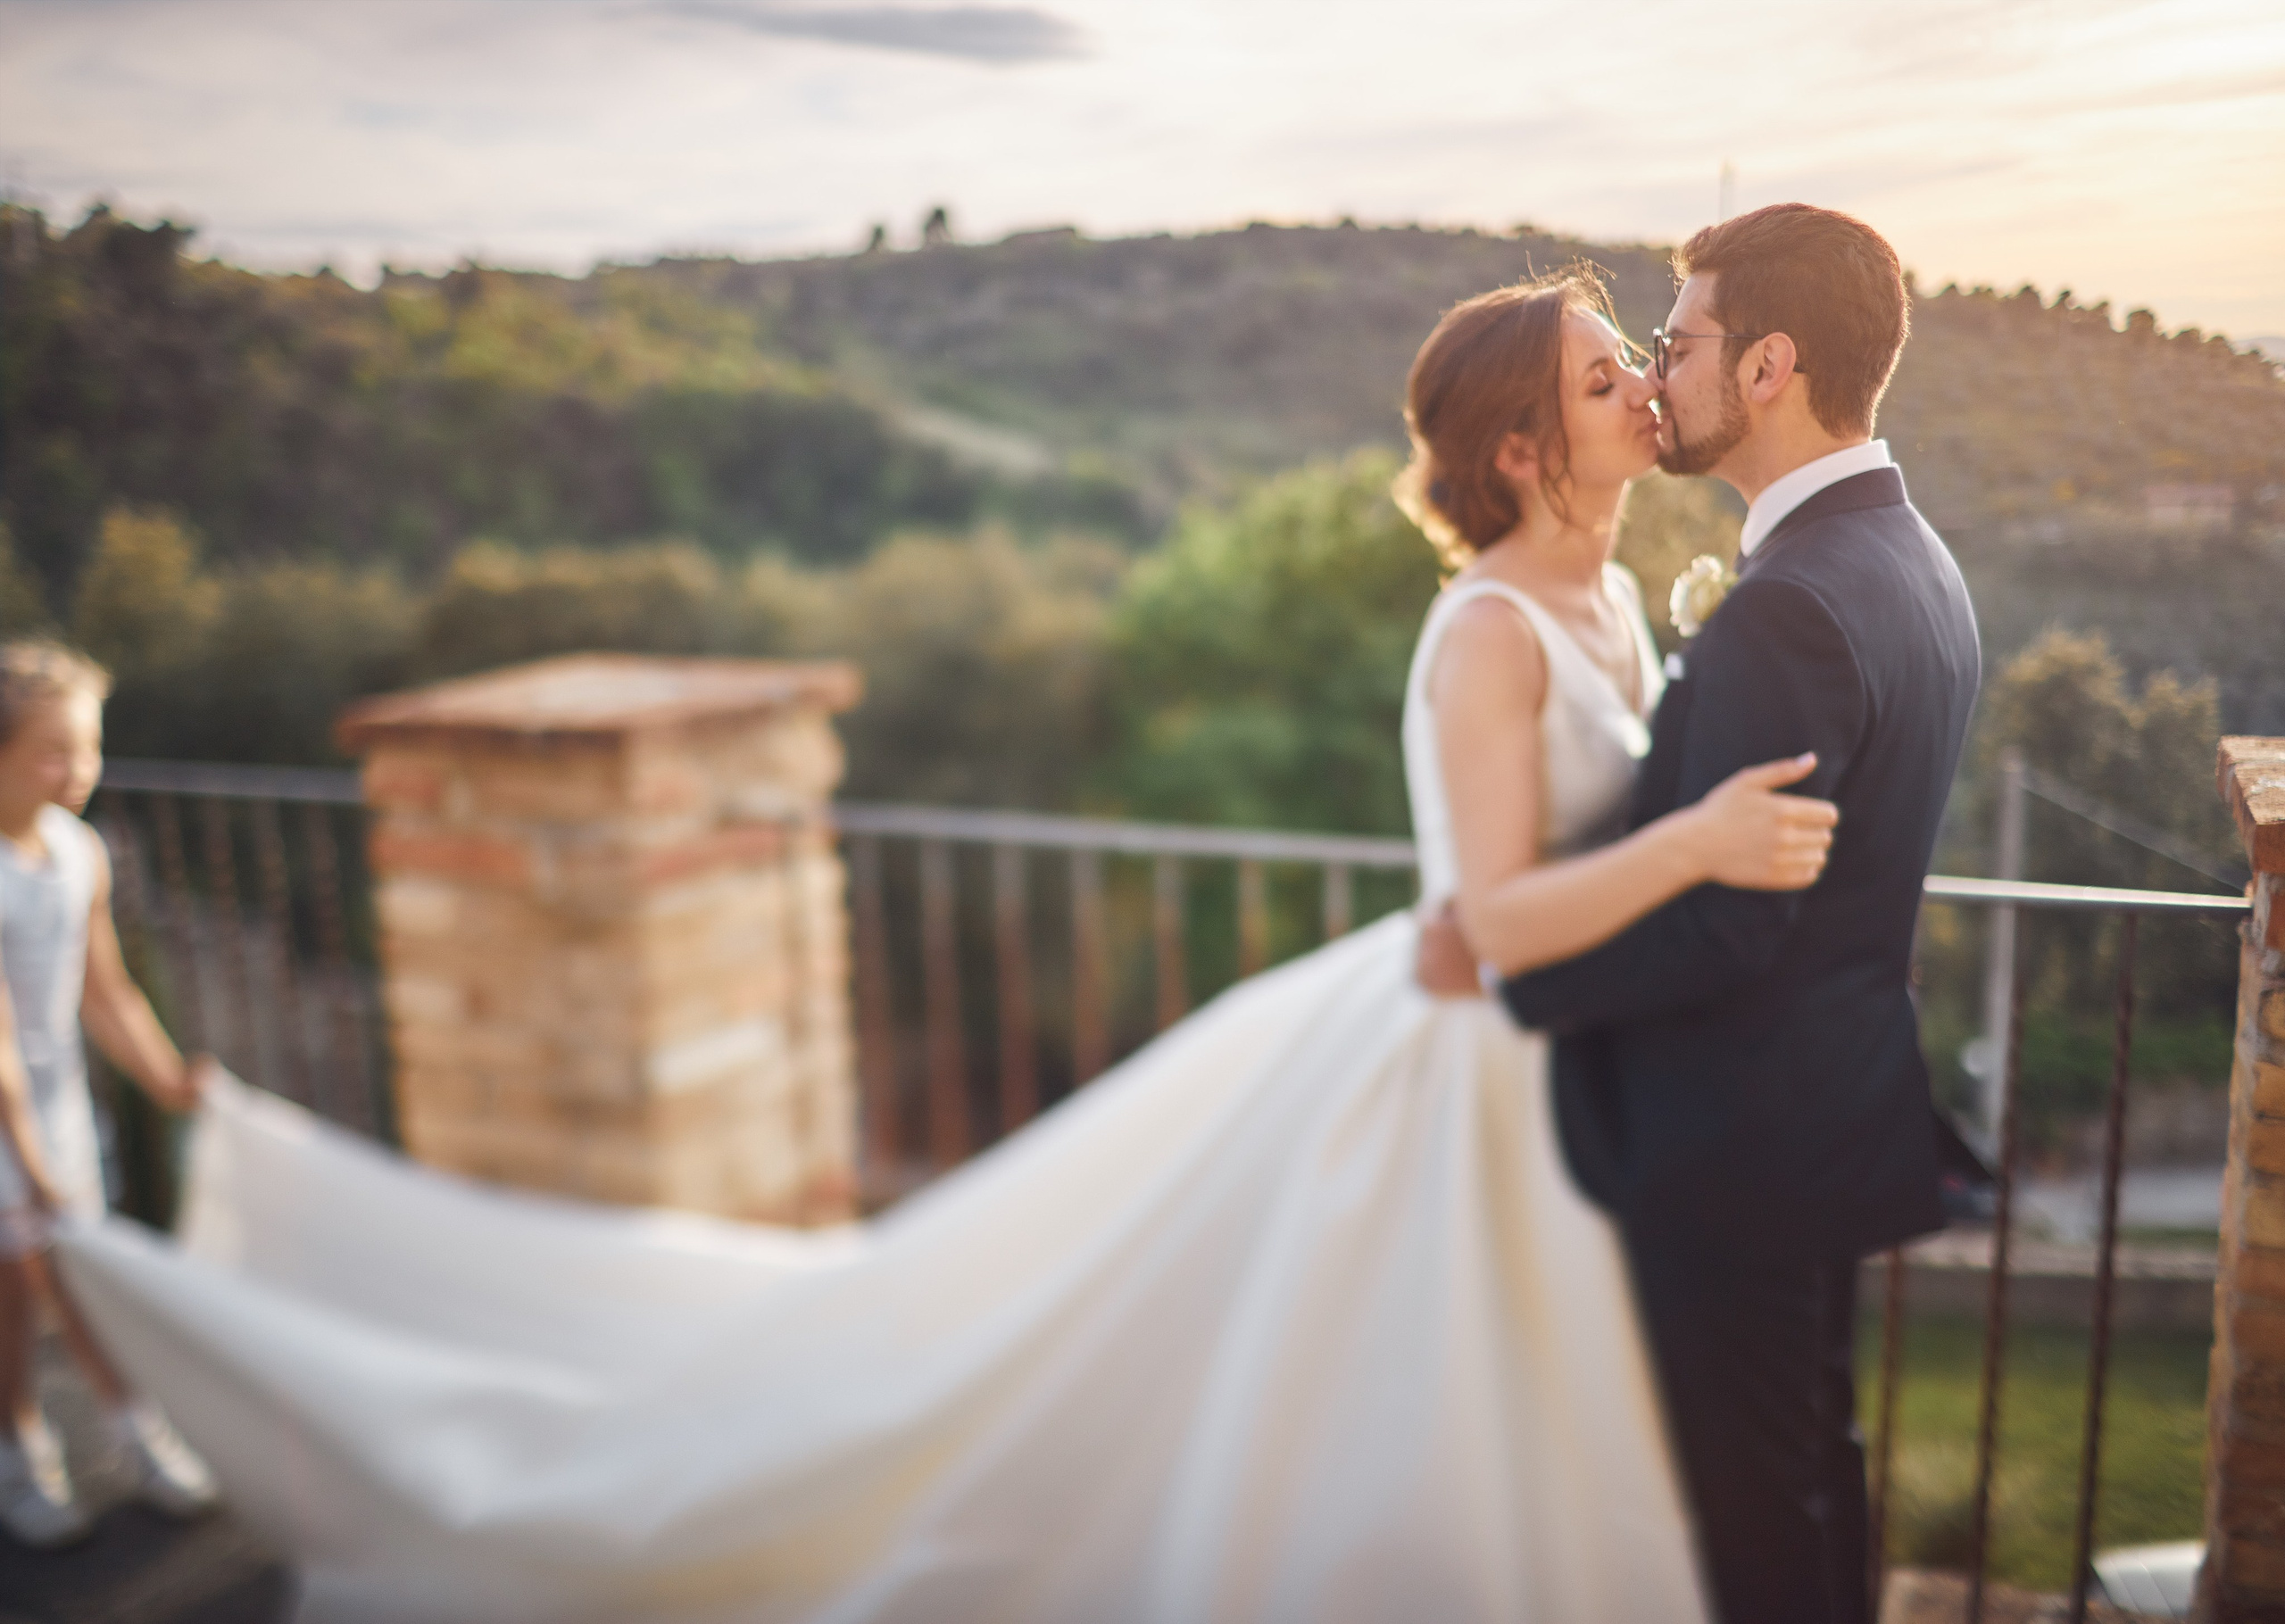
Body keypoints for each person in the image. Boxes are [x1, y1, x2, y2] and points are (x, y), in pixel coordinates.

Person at [54, 270, 1830, 1621]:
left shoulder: (1606, 592)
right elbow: (1483, 920)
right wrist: (1696, 842)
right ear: (1525, 445)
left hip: (1554, 1070)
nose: (1641, 399)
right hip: (1449, 1073)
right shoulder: (1484, 638)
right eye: (1608, 382)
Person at [1419, 204, 1982, 1624]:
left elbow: (1730, 922)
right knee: (1803, 1475)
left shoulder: (1790, 605)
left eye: (1678, 344)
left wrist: (1513, 982)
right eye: (1630, 359)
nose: (1660, 375)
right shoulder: (1918, 562)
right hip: (1816, 1107)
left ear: (1773, 366)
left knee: (1751, 1521)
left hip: (1731, 1138)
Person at [0, 641, 219, 1545]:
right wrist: (31, 1162)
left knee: (76, 1279)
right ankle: (22, 1446)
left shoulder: (78, 851)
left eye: (86, 746)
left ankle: (132, 1430)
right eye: (53, 750)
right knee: (17, 1295)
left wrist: (170, 1080)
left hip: (56, 1109)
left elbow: (107, 989)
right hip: (7, 1116)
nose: (79, 768)